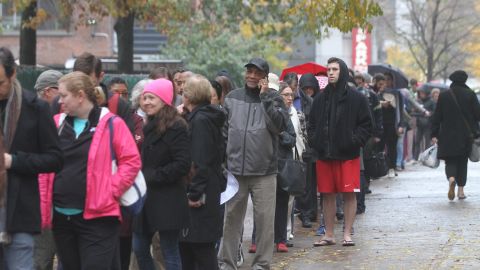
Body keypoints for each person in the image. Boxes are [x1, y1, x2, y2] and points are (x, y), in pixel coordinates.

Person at [43, 71, 141, 269]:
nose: (60, 101)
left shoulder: (113, 123)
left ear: (80, 96)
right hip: (62, 217)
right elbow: (44, 164)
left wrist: (110, 190)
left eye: (64, 96)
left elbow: (131, 161)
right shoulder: (56, 123)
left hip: (99, 219)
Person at [218, 58, 288, 270]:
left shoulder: (274, 98)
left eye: (257, 73)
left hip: (264, 171)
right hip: (235, 171)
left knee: (265, 222)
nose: (251, 76)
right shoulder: (232, 98)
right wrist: (223, 163)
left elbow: (279, 127)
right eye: (249, 71)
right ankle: (226, 263)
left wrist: (266, 97)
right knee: (231, 221)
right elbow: (223, 133)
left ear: (264, 78)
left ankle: (261, 264)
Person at [0, 47, 63, 269]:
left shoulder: (35, 108)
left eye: (0, 83)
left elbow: (55, 159)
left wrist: (13, 161)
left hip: (20, 211)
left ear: (12, 74)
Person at [308, 57, 371, 247]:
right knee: (327, 194)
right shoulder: (319, 98)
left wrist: (353, 141)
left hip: (348, 155)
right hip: (324, 154)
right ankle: (328, 234)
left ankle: (347, 233)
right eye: (328, 69)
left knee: (349, 193)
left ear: (342, 71)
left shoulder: (357, 98)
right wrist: (315, 141)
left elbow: (367, 125)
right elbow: (311, 125)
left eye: (335, 69)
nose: (331, 72)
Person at [132, 79, 190, 270]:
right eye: (144, 98)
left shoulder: (177, 126)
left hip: (168, 197)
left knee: (169, 249)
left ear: (164, 100)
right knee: (139, 247)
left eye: (151, 98)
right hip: (147, 197)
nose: (146, 102)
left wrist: (152, 175)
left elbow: (182, 164)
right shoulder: (148, 125)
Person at [179, 75, 226, 269]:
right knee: (189, 249)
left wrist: (194, 193)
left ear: (189, 97)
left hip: (201, 193)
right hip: (208, 187)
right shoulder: (207, 117)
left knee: (200, 249)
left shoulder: (200, 121)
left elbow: (201, 160)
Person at [431, 70, 480, 200]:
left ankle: (451, 178)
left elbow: (437, 116)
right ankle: (461, 191)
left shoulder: (444, 95)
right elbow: (478, 115)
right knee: (462, 162)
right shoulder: (470, 94)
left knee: (450, 160)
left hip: (446, 135)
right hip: (465, 135)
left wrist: (434, 133)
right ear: (465, 80)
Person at [33, 69, 64, 270]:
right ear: (48, 92)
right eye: (61, 92)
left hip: (58, 197)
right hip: (43, 200)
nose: (65, 97)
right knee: (42, 258)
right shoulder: (37, 117)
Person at [294, 73, 317, 229]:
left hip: (310, 147)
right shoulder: (294, 100)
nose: (308, 91)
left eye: (311, 88)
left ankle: (310, 212)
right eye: (305, 88)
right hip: (297, 146)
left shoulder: (311, 102)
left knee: (310, 182)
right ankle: (304, 212)